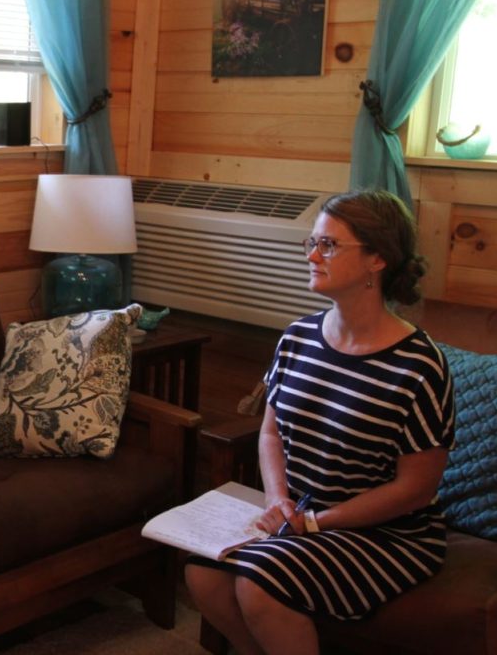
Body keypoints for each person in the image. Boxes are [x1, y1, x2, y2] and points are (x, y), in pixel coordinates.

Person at [185, 191, 455, 655]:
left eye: (329, 246)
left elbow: (414, 489)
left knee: (258, 585)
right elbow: (270, 432)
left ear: (378, 260)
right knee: (202, 572)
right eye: (312, 242)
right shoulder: (297, 337)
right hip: (302, 514)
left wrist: (318, 523)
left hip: (387, 533)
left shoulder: (420, 365)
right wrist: (278, 500)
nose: (312, 255)